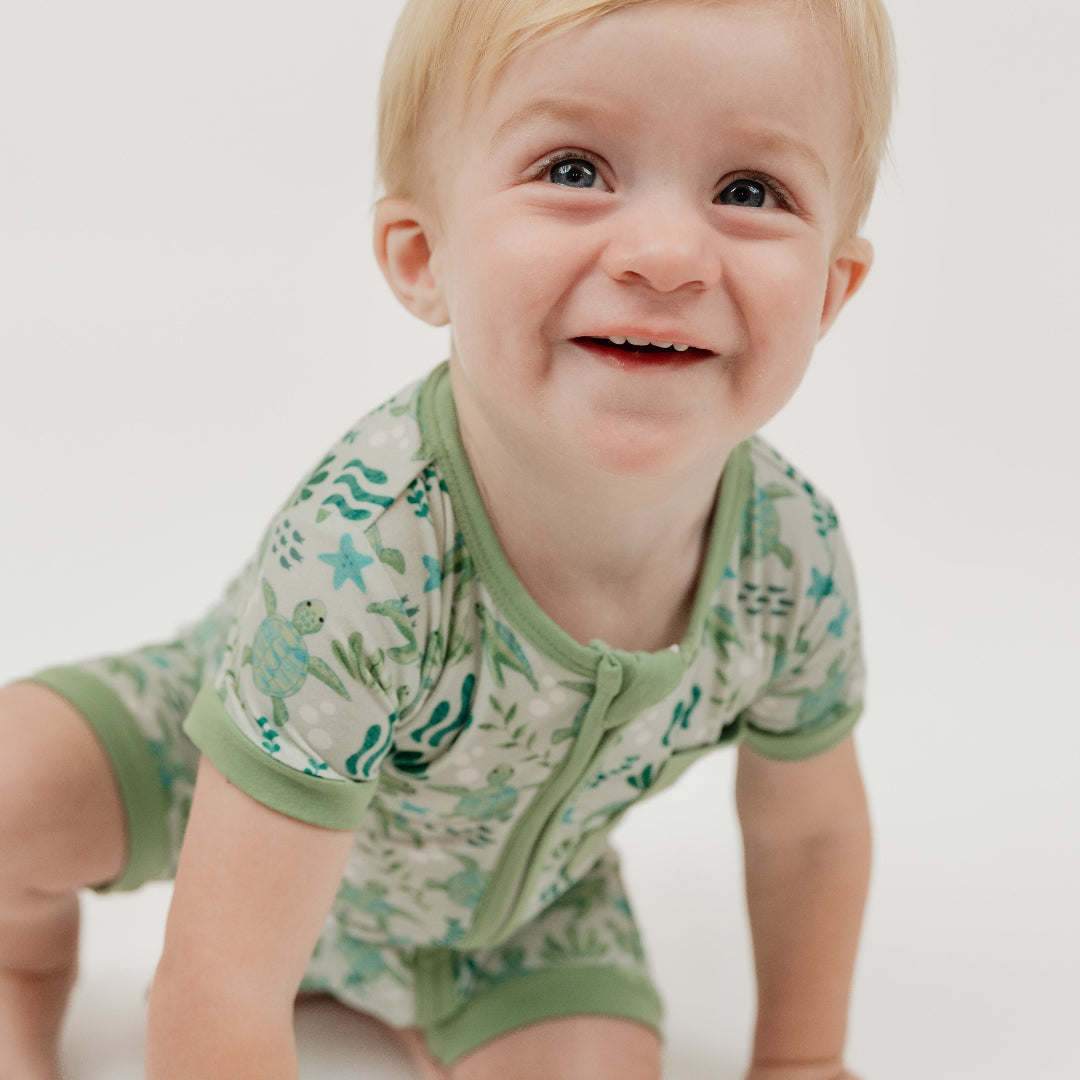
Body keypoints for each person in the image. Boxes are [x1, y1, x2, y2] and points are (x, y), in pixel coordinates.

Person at [0, 0, 895, 1076]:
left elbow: (809, 835)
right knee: (16, 780)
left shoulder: (787, 560)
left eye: (750, 192)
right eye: (574, 170)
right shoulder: (372, 545)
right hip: (211, 785)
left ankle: (429, 1005)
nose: (667, 255)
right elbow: (221, 974)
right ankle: (19, 966)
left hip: (510, 924)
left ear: (833, 293)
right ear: (423, 254)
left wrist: (801, 1060)